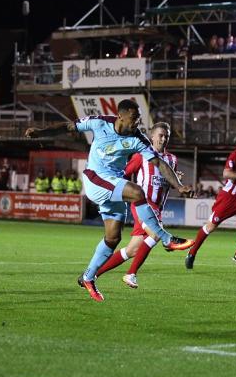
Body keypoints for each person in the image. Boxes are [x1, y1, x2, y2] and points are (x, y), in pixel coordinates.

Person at [24, 99, 195, 302]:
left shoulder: (139, 138)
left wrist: (179, 186)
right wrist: (41, 133)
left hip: (113, 183)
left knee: (113, 238)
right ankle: (166, 239)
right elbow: (68, 126)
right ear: (120, 115)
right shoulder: (99, 122)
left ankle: (88, 277)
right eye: (134, 118)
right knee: (137, 192)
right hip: (95, 179)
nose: (137, 123)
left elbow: (159, 162)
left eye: (139, 119)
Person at [95, 122, 182, 288]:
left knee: (132, 250)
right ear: (152, 137)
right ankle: (131, 274)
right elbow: (124, 175)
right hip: (143, 204)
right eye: (161, 135)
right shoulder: (141, 156)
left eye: (167, 136)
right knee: (156, 235)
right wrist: (122, 193)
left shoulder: (172, 160)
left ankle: (91, 275)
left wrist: (176, 179)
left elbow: (167, 183)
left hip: (158, 208)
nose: (164, 139)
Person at [185, 128, 236, 269]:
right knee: (210, 227)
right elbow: (226, 173)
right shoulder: (235, 155)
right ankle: (192, 253)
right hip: (228, 198)